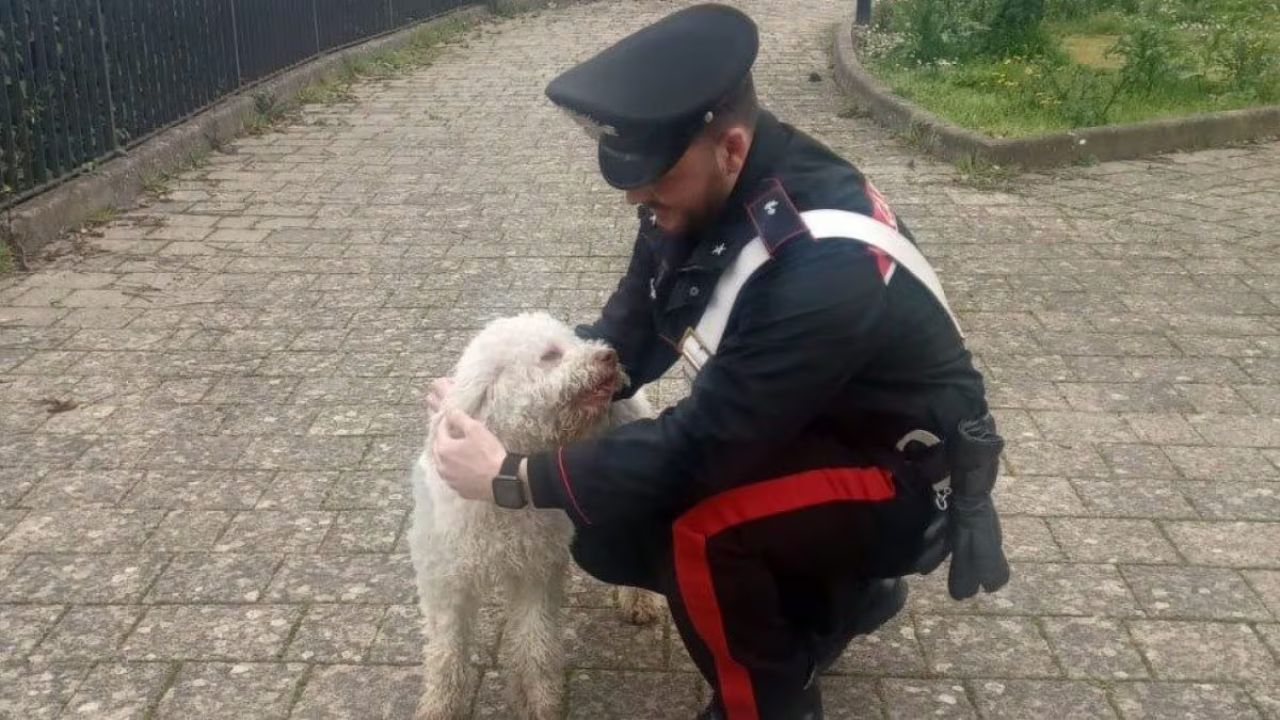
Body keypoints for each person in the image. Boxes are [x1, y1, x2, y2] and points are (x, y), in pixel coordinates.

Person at [430, 4, 1010, 719]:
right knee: (608, 520)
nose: (640, 200)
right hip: (810, 430)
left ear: (730, 149)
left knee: (697, 528)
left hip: (903, 476)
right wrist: (508, 391)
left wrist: (514, 477)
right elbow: (626, 336)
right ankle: (836, 599)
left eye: (655, 181)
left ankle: (766, 699)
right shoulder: (696, 201)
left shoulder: (820, 266)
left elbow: (703, 447)